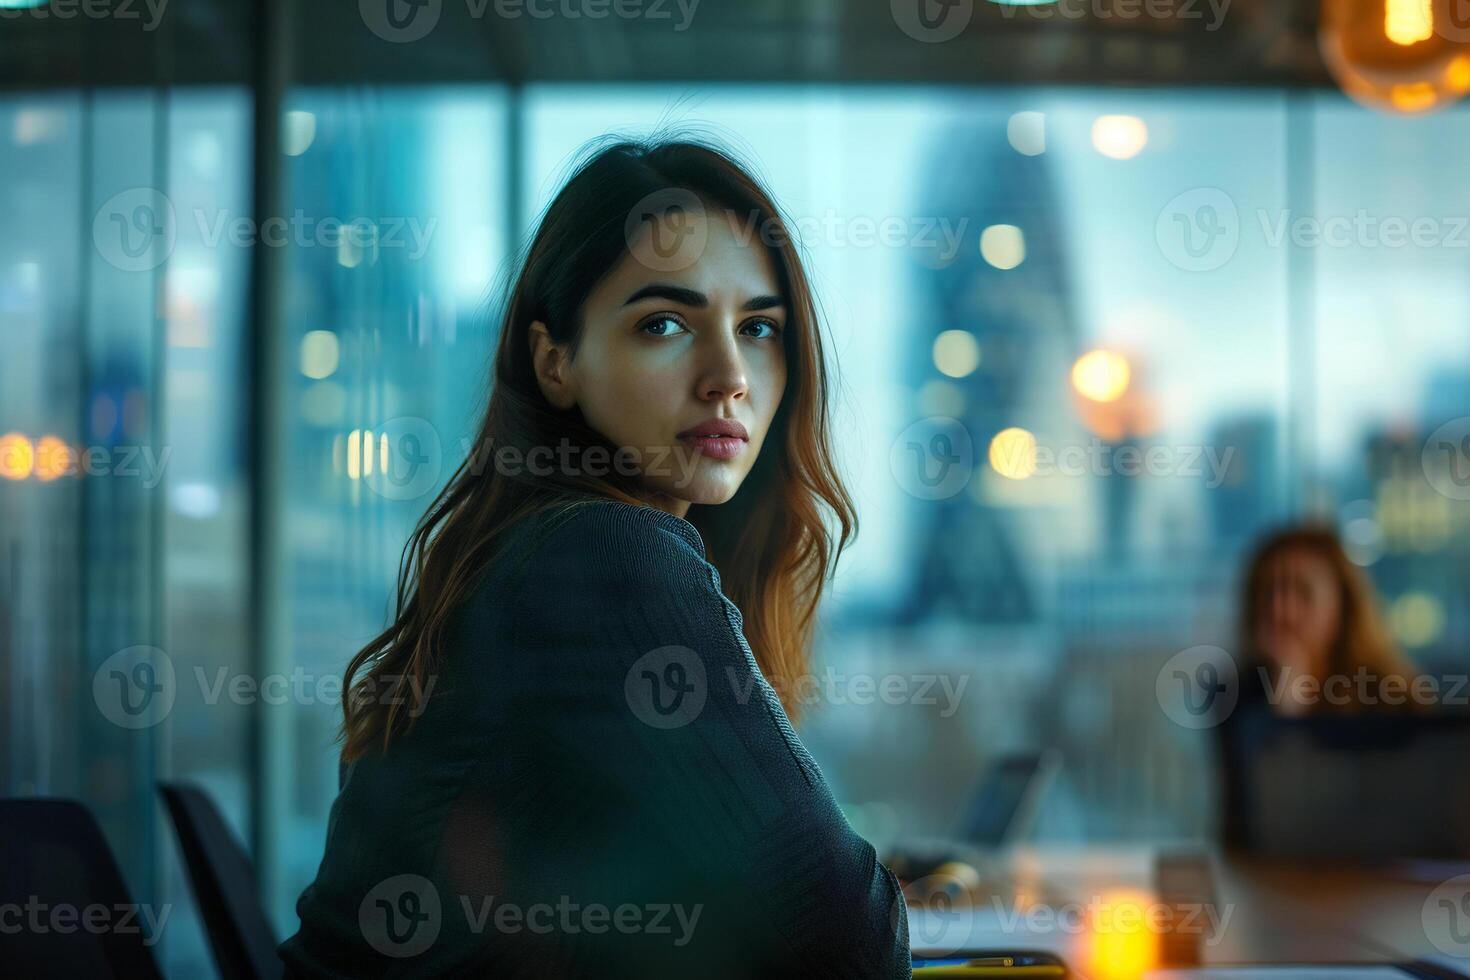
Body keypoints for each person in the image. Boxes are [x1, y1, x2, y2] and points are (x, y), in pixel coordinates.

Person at [277, 135, 911, 978]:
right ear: (556, 362)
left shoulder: (537, 549)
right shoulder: (604, 553)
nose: (729, 375)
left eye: (758, 328)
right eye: (665, 324)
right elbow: (849, 942)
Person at [1217, 524, 1423, 849]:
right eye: (1268, 591)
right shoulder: (1236, 696)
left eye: (1302, 591)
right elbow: (1258, 825)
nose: (1280, 609)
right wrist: (1286, 701)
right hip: (1268, 886)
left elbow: (1400, 821)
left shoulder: (1391, 695)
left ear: (1342, 604)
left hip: (1371, 886)